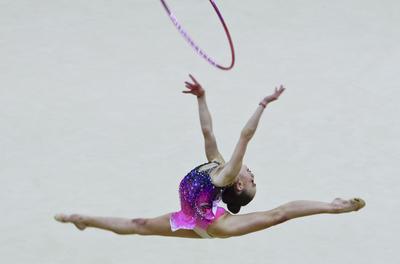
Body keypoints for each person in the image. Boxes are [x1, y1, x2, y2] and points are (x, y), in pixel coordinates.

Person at [55, 74, 365, 239]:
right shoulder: (216, 164)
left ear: (239, 185)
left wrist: (263, 104)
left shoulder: (225, 174)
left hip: (215, 226)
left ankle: (334, 207)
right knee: (139, 224)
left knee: (277, 216)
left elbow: (245, 136)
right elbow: (208, 132)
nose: (252, 173)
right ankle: (83, 220)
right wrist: (201, 98)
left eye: (252, 180)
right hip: (191, 218)